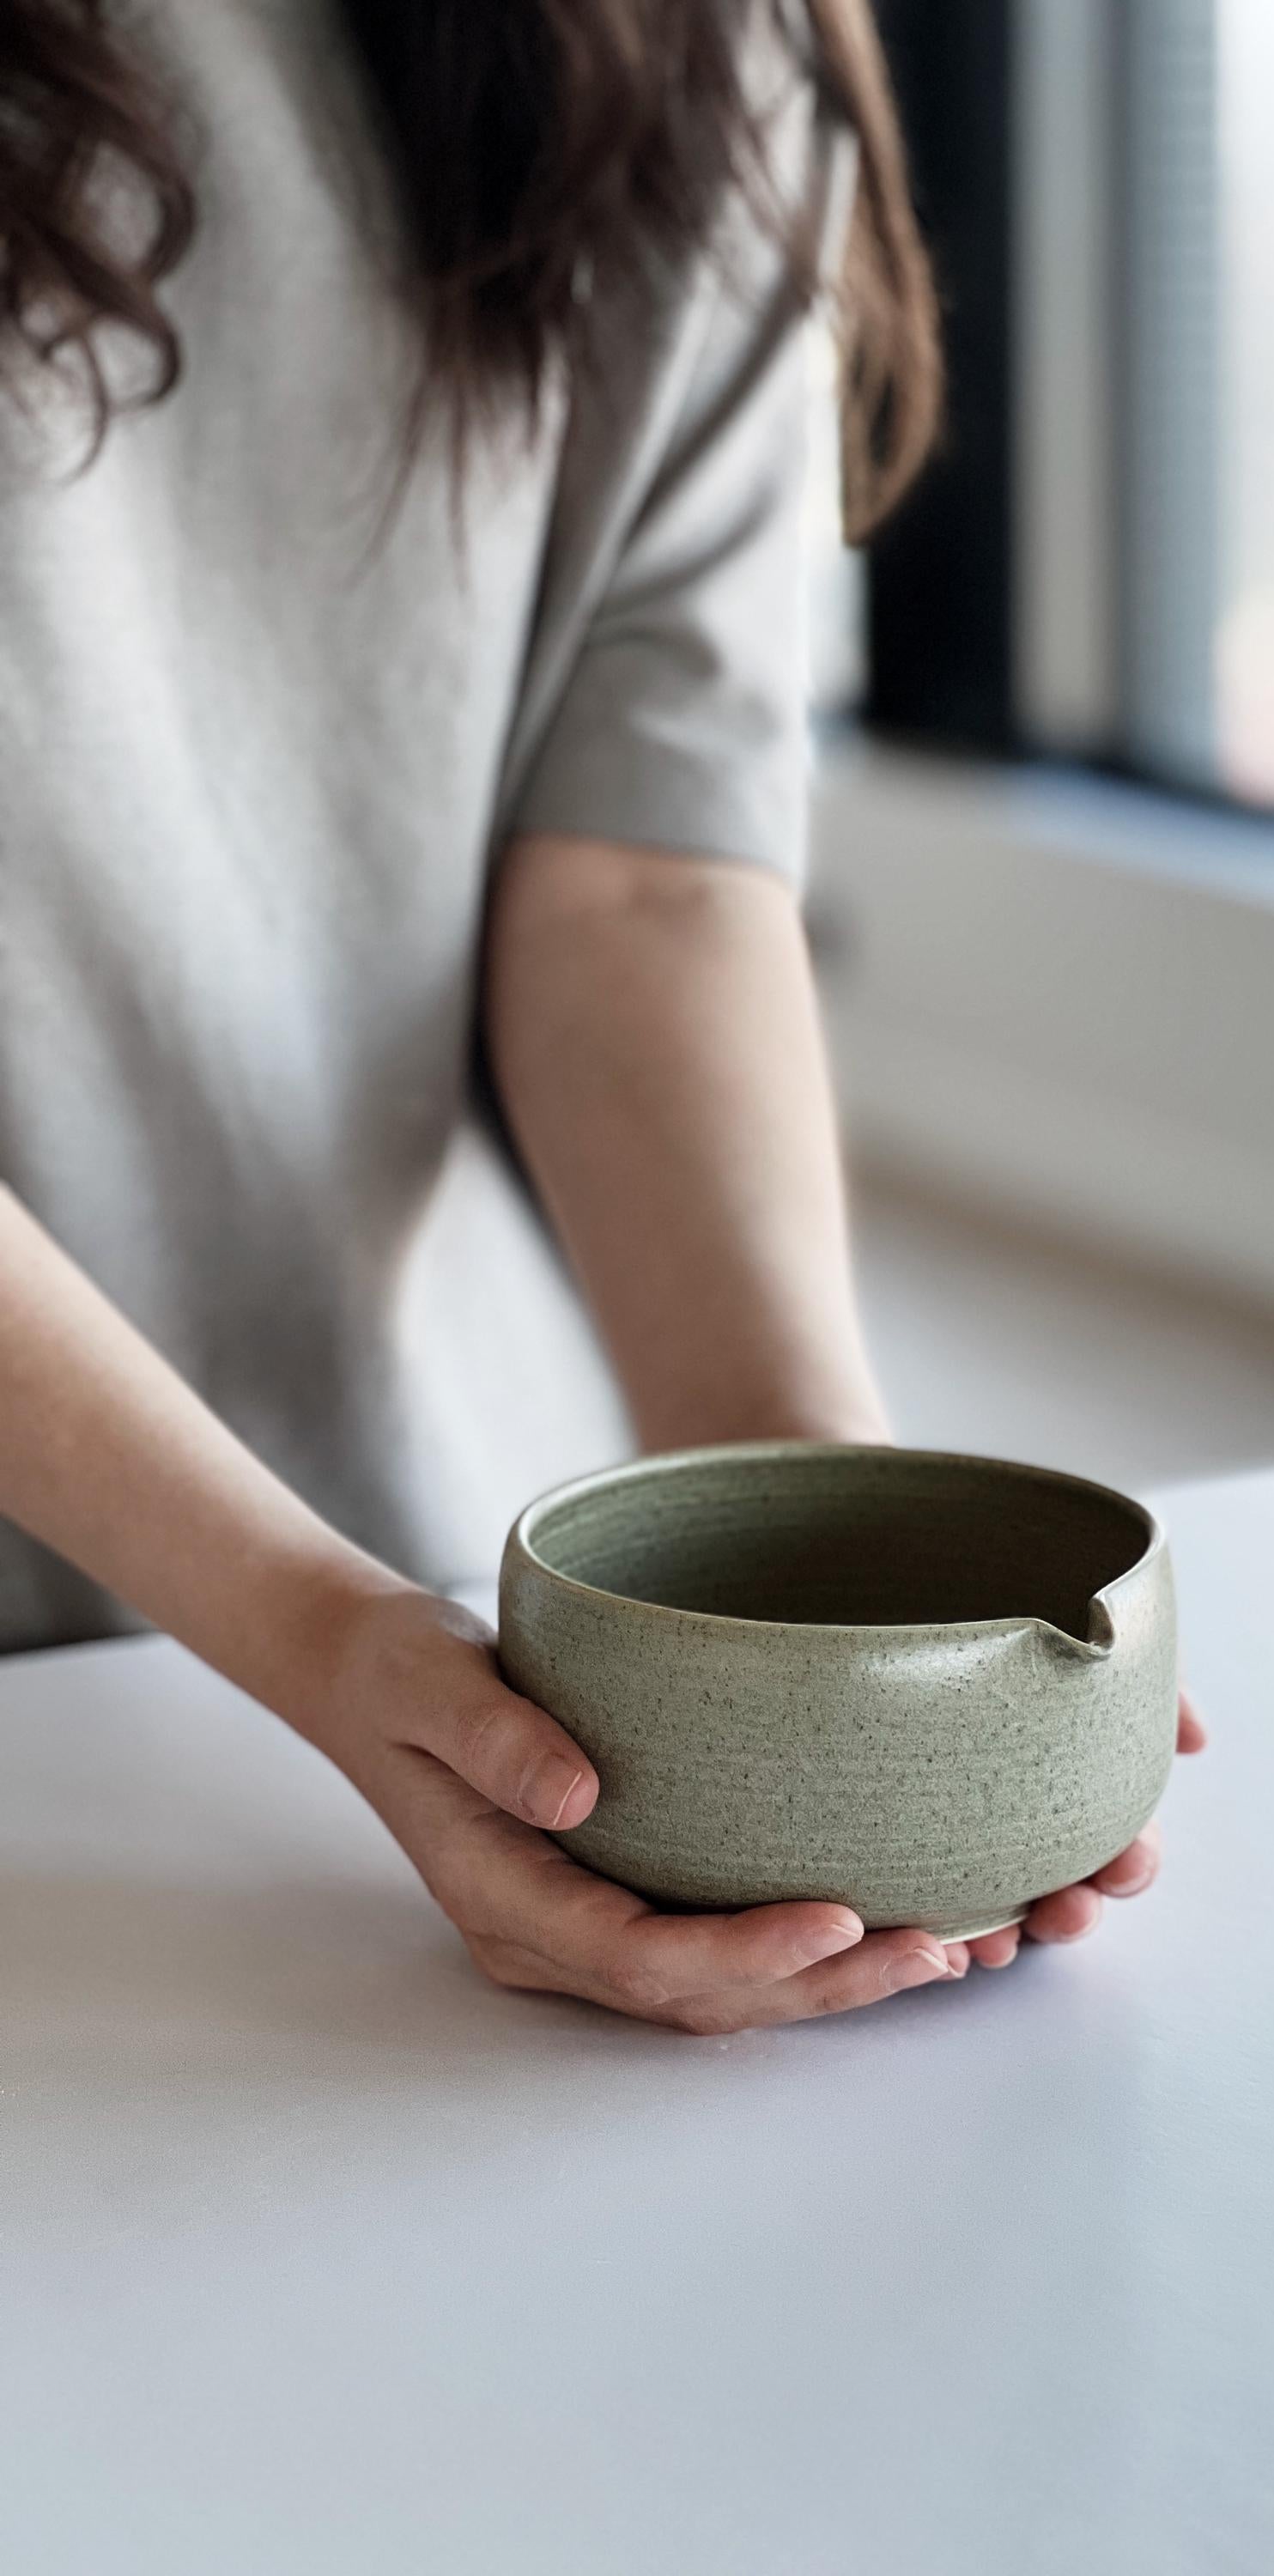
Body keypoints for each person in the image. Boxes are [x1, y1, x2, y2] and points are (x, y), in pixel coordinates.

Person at [0, 0, 1202, 2032]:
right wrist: (310, 1633)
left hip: (422, 1554)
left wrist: (810, 1536)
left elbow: (643, 874)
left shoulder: (684, 37)